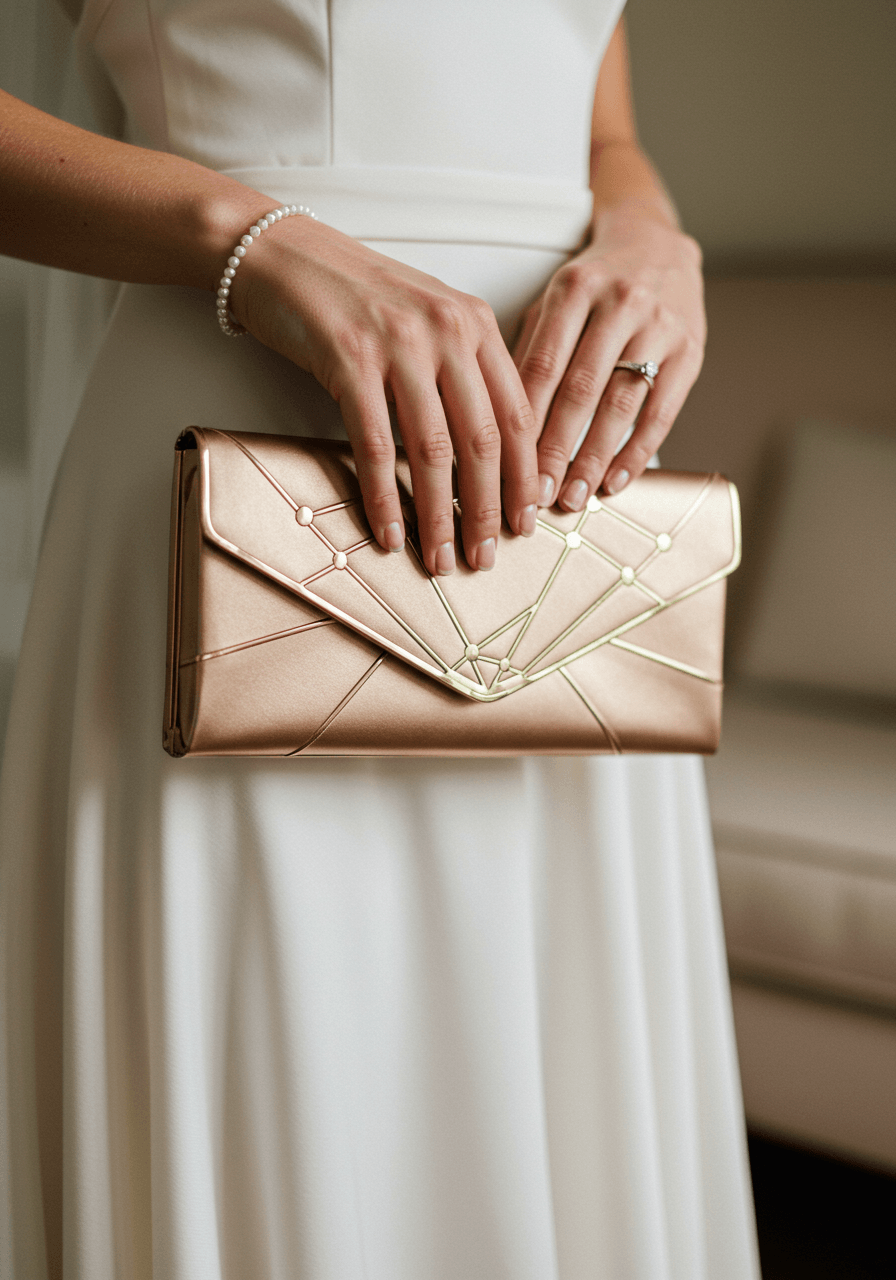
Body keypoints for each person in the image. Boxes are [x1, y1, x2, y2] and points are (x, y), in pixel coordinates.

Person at [0, 1, 760, 1275]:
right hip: (243, 412)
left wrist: (650, 235)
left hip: (568, 478)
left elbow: (600, 121)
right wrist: (252, 240)